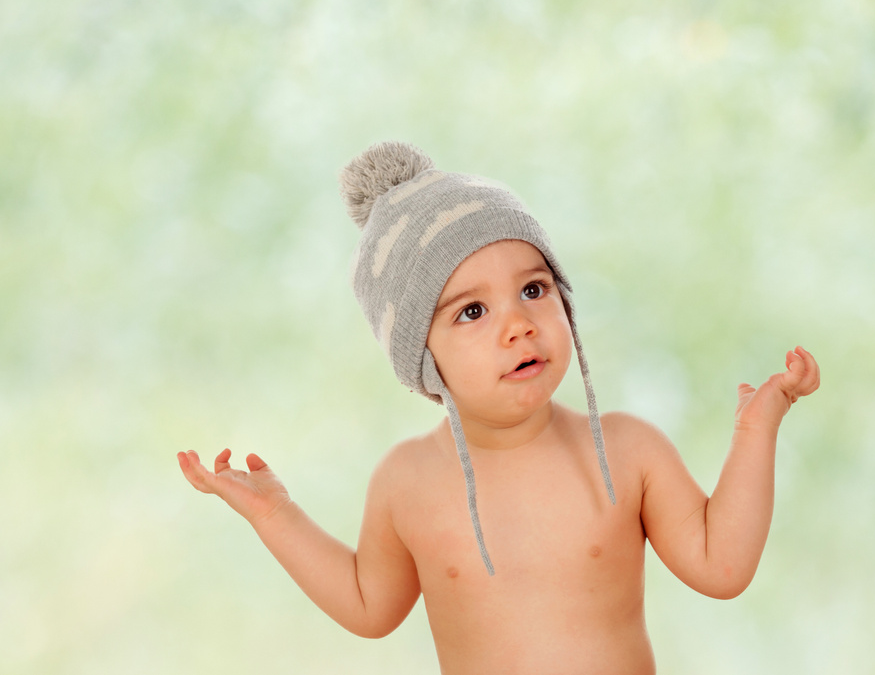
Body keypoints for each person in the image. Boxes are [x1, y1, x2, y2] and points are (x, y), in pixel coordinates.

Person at [177, 141, 820, 674]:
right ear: (419, 355)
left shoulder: (628, 452)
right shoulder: (407, 482)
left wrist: (755, 429)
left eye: (534, 289)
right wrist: (275, 514)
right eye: (473, 311)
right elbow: (370, 607)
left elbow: (722, 566)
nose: (518, 325)